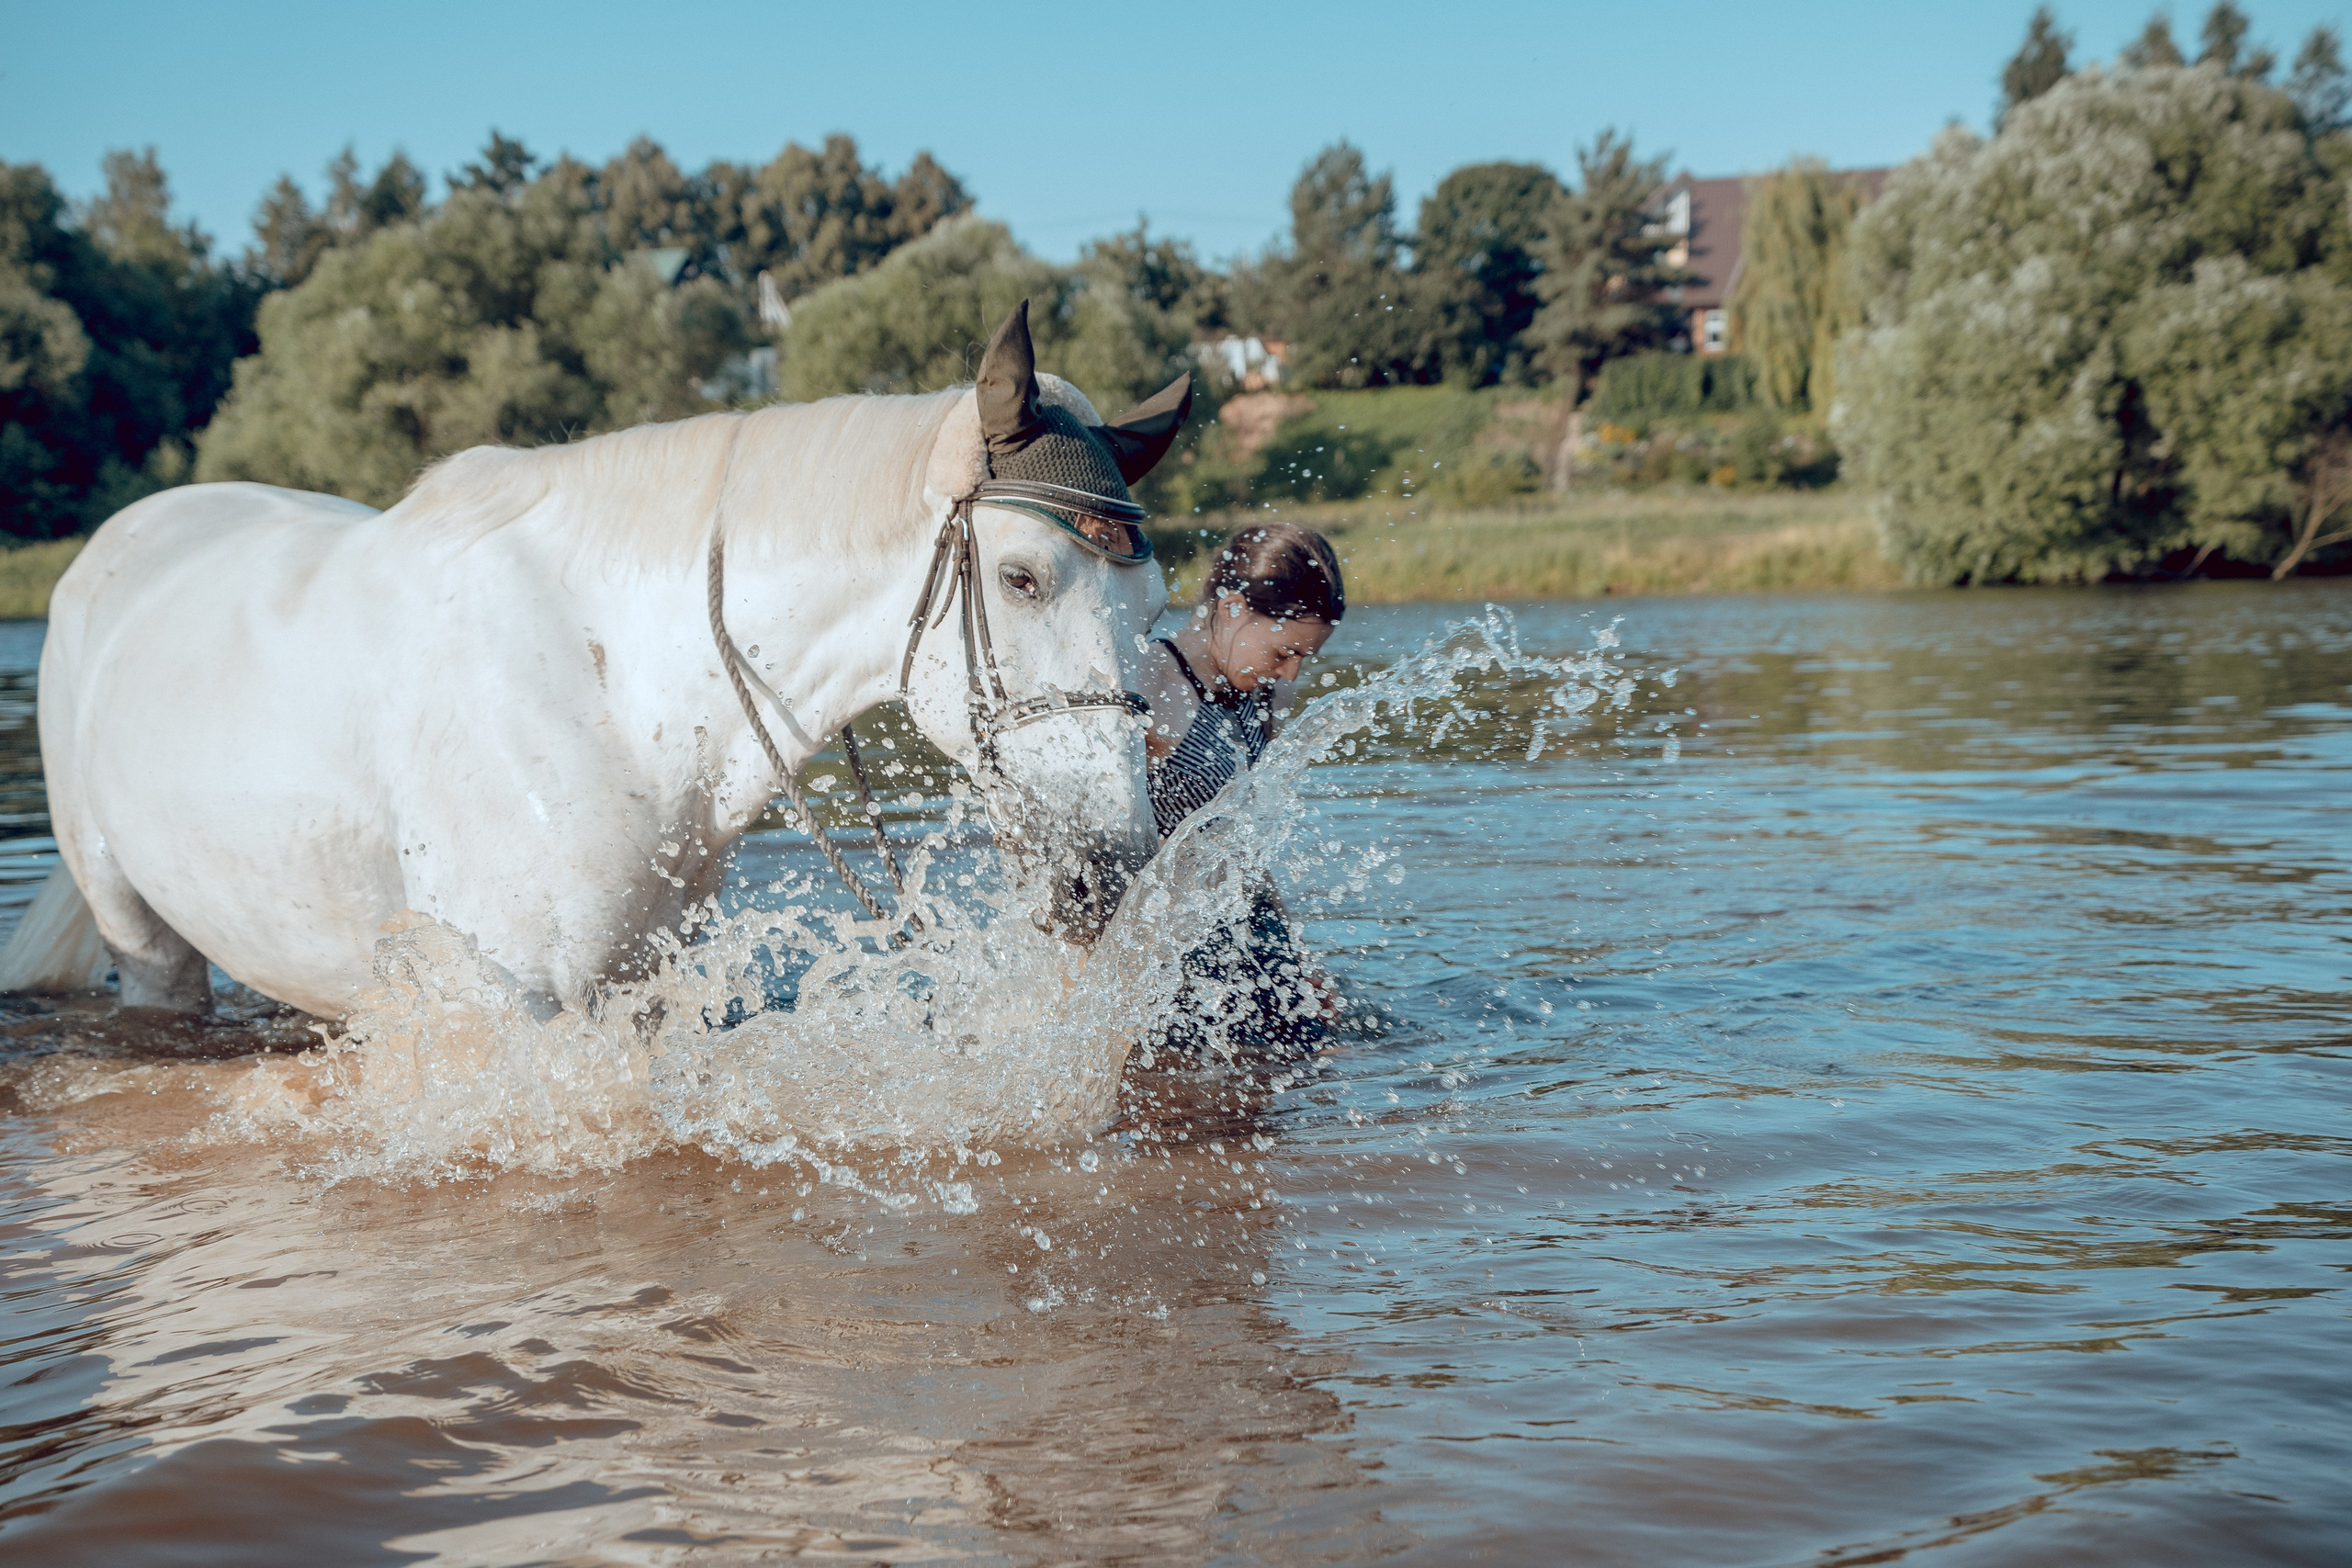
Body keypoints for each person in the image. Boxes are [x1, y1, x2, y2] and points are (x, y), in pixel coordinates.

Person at [1136, 524, 1345, 1057]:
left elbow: (1242, 841)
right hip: (1172, 942)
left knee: (1319, 1067)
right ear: (1230, 608)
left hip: (1251, 923)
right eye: (1283, 652)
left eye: (1304, 657)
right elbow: (1099, 843)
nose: (1292, 671)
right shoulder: (1150, 682)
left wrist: (1297, 957)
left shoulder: (1266, 695)